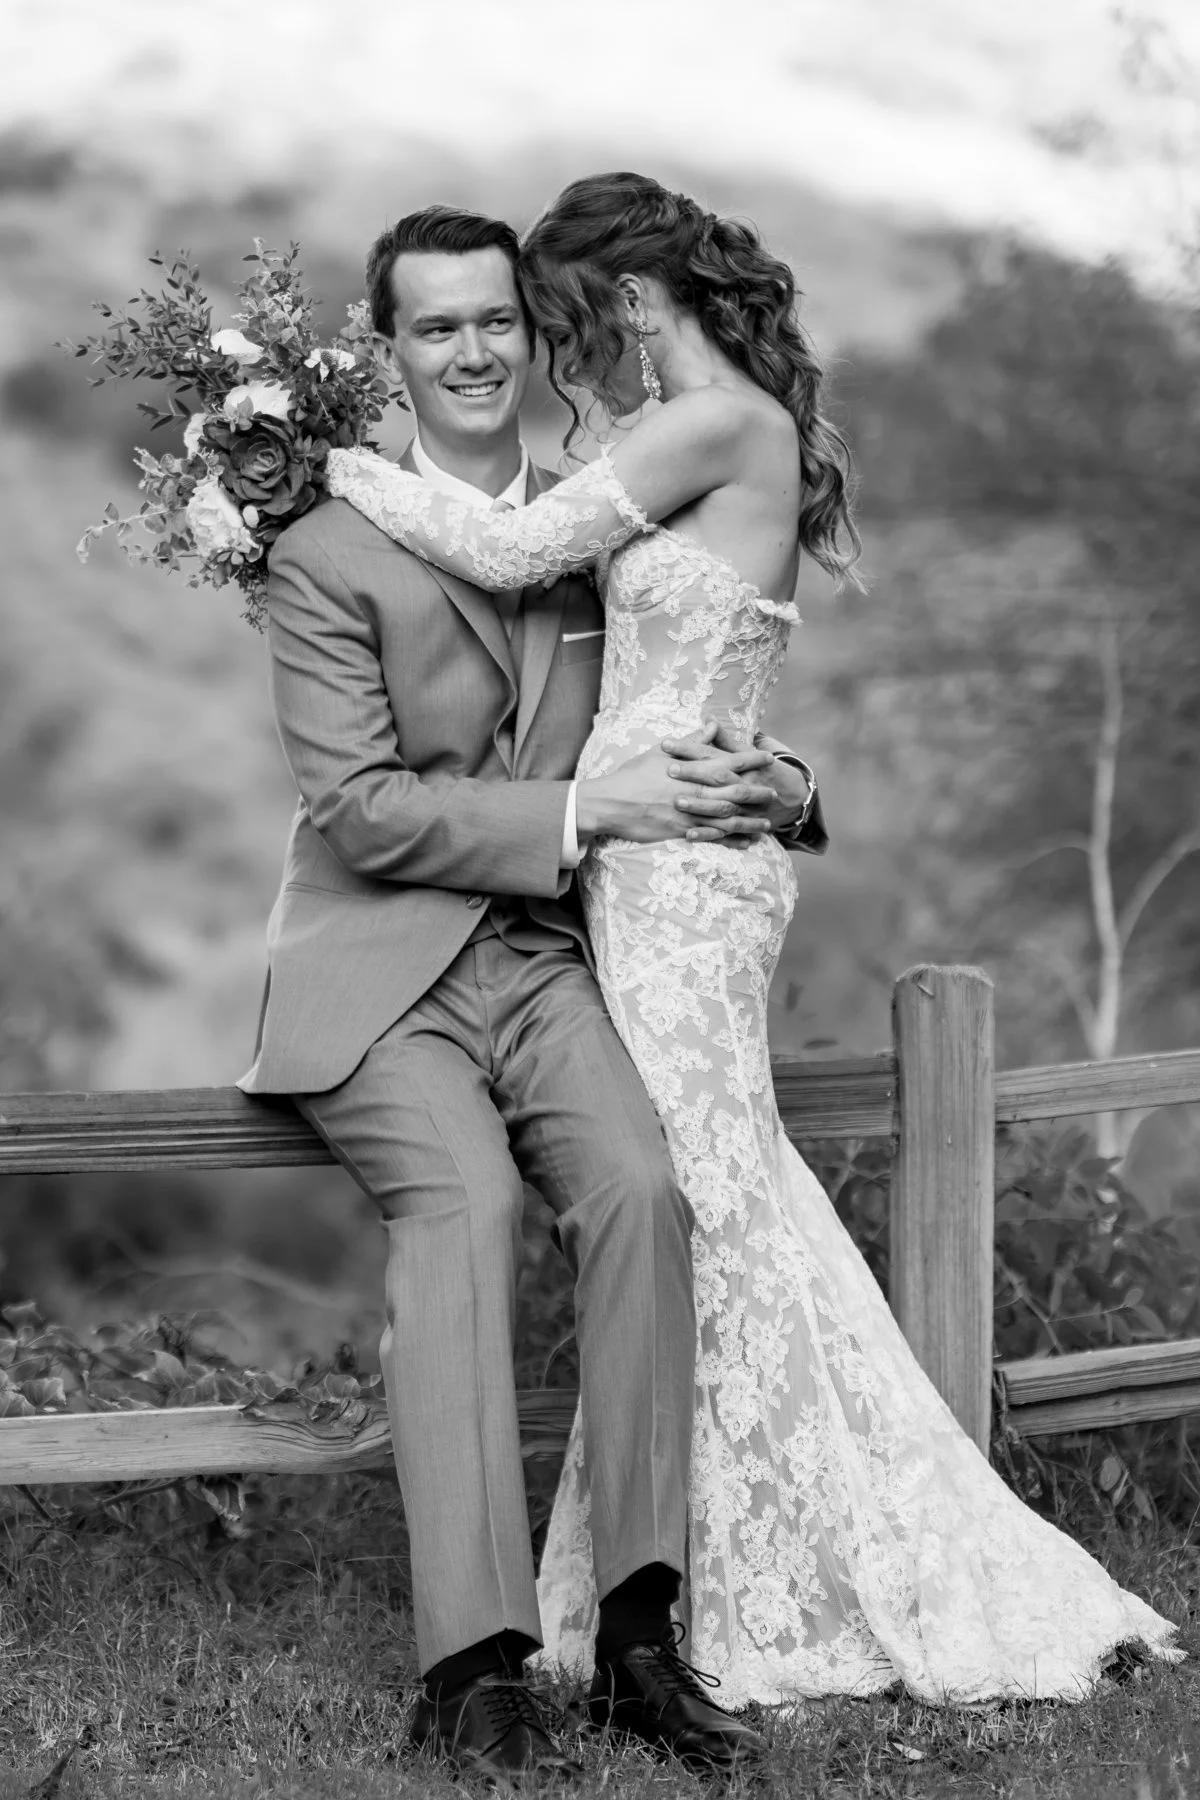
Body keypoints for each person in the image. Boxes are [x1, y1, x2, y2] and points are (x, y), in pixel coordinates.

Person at [326, 170, 1183, 1709]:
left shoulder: (716, 424)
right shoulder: (714, 430)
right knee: (709, 1204)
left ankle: (726, 1587)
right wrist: (777, 784)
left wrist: (313, 460)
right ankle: (683, 1578)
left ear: (625, 299)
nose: (559, 362)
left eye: (563, 326)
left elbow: (514, 556)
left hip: (676, 882)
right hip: (659, 858)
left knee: (697, 1210)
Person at [240, 203, 825, 1780]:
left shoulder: (600, 525)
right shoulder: (321, 550)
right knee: (469, 1206)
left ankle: (637, 1639)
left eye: (495, 317)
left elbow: (689, 687)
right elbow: (361, 809)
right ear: (390, 352)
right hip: (380, 972)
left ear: (533, 325)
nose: (473, 350)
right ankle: (472, 1666)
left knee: (645, 1189)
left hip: (547, 959)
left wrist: (781, 783)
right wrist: (583, 811)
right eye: (435, 326)